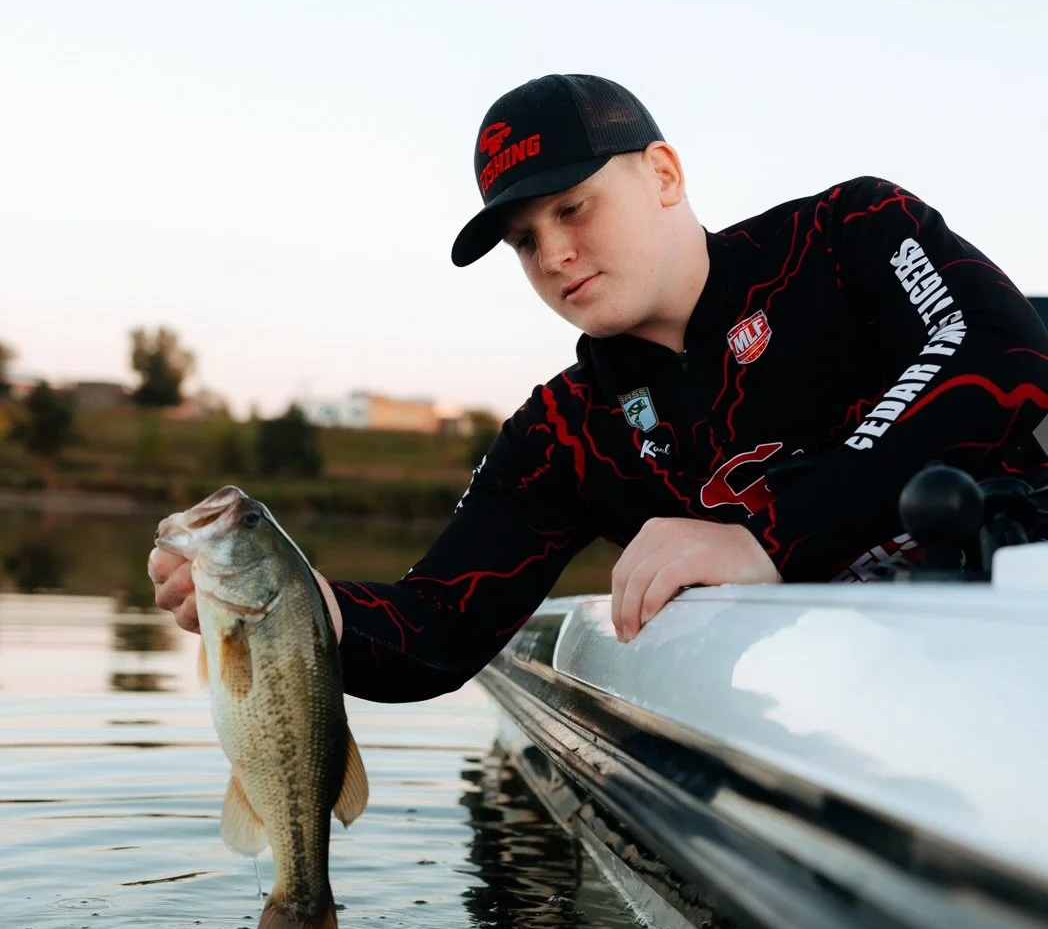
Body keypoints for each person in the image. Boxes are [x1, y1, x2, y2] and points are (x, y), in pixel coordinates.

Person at [149, 73, 1048, 701]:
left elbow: (1003, 358)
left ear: (663, 174)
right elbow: (435, 630)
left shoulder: (847, 234)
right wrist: (283, 602)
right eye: (525, 239)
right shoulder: (565, 430)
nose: (555, 255)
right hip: (836, 707)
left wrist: (767, 535)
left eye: (573, 207)